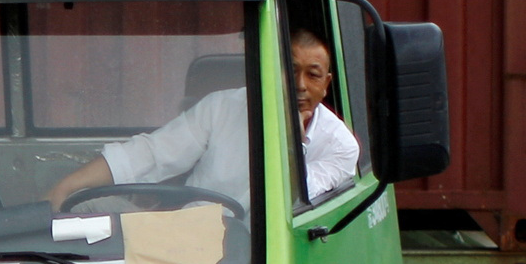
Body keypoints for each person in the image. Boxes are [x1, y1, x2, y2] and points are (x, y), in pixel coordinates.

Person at [48, 22, 358, 212]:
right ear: (269, 69)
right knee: (85, 206)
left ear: (326, 84)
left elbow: (290, 202)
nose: (300, 85)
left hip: (250, 257)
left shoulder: (340, 146)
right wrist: (67, 187)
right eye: (289, 71)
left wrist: (293, 139)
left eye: (312, 75)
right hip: (185, 233)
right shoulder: (222, 107)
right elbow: (151, 154)